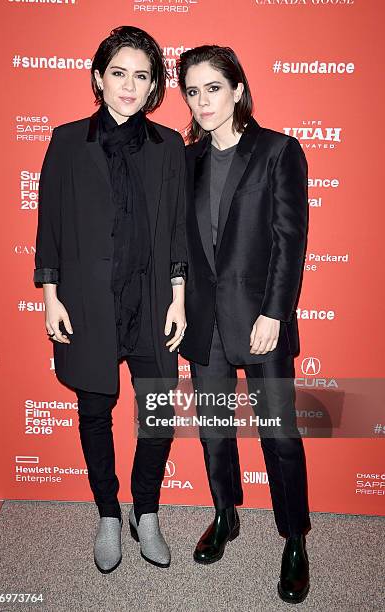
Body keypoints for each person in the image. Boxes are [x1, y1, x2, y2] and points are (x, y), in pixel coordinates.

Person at [34, 26, 187, 573]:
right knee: (94, 411)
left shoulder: (170, 147)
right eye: (117, 73)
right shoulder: (67, 140)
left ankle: (146, 511)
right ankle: (106, 512)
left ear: (153, 88)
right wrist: (50, 296)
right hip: (87, 301)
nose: (128, 85)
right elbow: (49, 223)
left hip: (149, 301)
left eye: (141, 76)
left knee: (156, 414)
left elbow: (176, 228)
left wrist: (178, 296)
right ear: (99, 79)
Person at [177, 45, 310, 603]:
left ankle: (295, 538)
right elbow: (182, 244)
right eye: (192, 90)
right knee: (213, 432)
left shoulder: (279, 151)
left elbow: (290, 239)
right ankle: (225, 514)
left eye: (213, 87)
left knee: (279, 435)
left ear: (237, 90)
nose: (202, 100)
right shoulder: (188, 159)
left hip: (262, 320)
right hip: (204, 322)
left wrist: (275, 312)